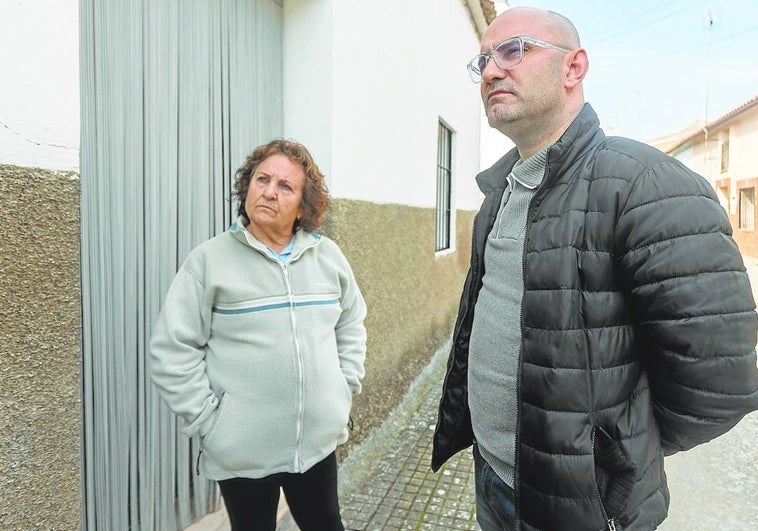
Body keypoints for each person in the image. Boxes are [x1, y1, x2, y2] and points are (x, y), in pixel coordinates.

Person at [432, 7, 758, 531]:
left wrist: (610, 461)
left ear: (574, 68)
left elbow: (718, 388)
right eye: (483, 60)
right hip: (492, 479)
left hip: (586, 510)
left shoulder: (646, 185)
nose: (491, 71)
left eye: (514, 49)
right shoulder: (497, 196)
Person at [149, 139, 367, 531]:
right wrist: (212, 422)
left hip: (316, 444)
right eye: (261, 179)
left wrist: (344, 384)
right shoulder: (208, 261)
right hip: (242, 452)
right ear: (246, 187)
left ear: (304, 205)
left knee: (327, 525)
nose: (268, 191)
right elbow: (172, 351)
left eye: (285, 186)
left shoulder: (328, 257)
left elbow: (351, 322)